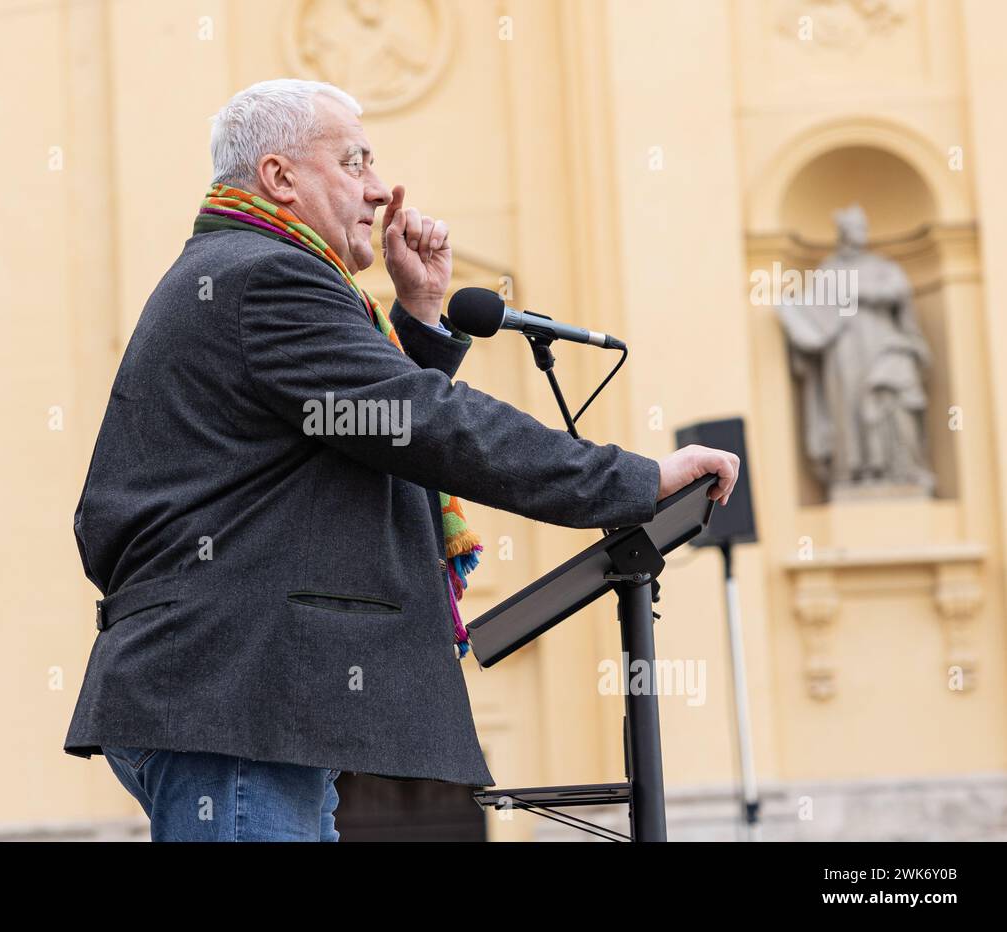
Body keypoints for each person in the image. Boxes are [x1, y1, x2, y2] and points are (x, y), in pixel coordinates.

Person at [64, 78, 739, 842]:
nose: (380, 191)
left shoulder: (242, 270)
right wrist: (634, 481)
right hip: (241, 694)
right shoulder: (265, 277)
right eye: (354, 162)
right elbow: (427, 422)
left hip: (241, 696)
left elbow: (356, 425)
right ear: (280, 178)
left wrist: (417, 323)